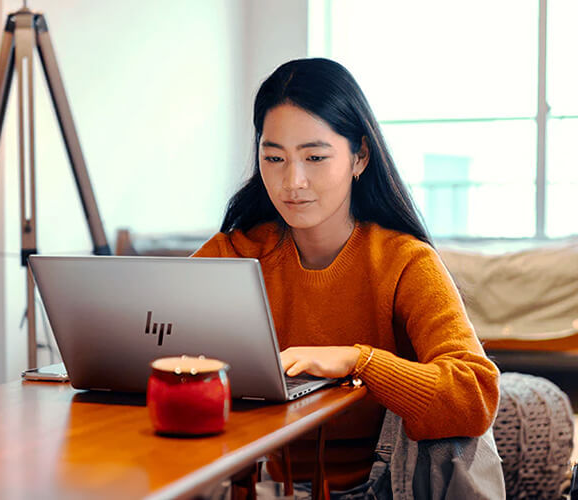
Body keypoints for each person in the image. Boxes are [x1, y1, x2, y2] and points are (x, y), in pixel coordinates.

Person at [193, 58, 503, 497]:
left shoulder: (403, 260)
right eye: (274, 157)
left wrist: (359, 361)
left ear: (359, 156)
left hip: (378, 485)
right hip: (250, 477)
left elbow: (475, 396)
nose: (292, 181)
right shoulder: (234, 251)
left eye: (315, 157)